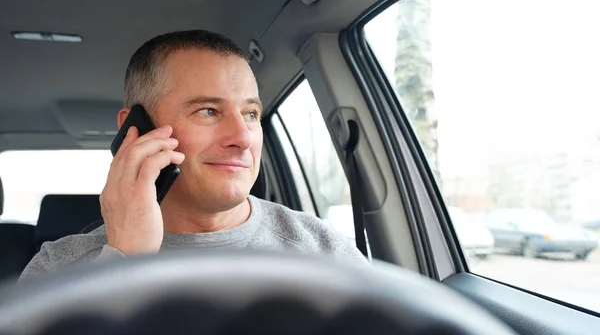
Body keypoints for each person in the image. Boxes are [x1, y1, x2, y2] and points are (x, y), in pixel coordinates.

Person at [20, 30, 366, 279]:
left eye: (250, 114)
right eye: (208, 111)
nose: (242, 139)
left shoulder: (329, 255)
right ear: (135, 130)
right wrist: (124, 259)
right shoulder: (57, 270)